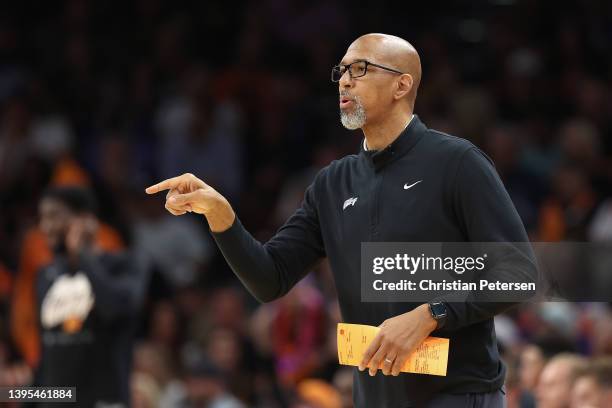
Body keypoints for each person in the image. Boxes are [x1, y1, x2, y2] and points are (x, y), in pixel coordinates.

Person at [146, 33, 536, 407]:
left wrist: (432, 313)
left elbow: (518, 271)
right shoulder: (333, 183)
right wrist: (222, 216)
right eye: (342, 71)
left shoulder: (457, 163)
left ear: (402, 85)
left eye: (361, 69)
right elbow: (269, 279)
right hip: (373, 396)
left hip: (456, 393)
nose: (345, 81)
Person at [35, 186, 147, 407]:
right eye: (42, 218)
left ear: (85, 219)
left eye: (54, 216)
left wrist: (83, 255)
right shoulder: (46, 275)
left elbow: (116, 308)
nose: (45, 226)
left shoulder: (125, 264)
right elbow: (47, 358)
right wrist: (15, 395)